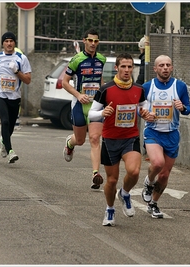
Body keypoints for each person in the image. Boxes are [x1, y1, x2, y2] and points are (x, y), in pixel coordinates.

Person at [88, 53, 153, 226]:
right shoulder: (105, 90)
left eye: (129, 67)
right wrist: (102, 113)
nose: (126, 70)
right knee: (111, 180)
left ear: (133, 68)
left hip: (130, 138)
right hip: (110, 140)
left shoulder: (139, 90)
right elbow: (91, 113)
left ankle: (124, 193)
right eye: (123, 66)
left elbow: (143, 107)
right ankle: (110, 209)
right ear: (116, 68)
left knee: (134, 171)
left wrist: (146, 113)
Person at [141, 55, 190, 219]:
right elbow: (138, 107)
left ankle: (153, 204)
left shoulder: (180, 86)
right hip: (153, 132)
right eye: (161, 65)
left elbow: (188, 108)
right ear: (155, 68)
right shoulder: (147, 87)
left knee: (164, 175)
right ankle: (148, 182)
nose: (165, 68)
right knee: (157, 163)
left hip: (171, 135)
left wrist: (182, 107)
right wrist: (145, 115)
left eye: (168, 65)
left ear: (171, 68)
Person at [62, 28, 107, 190]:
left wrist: (104, 97)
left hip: (95, 105)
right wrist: (78, 94)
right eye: (90, 40)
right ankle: (70, 142)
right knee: (80, 140)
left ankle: (96, 174)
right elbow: (65, 82)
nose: (93, 44)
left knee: (95, 139)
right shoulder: (77, 59)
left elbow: (100, 79)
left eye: (96, 41)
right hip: (79, 105)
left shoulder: (101, 59)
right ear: (84, 41)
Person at [0, 32, 32, 164]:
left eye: (11, 41)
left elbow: (28, 80)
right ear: (3, 43)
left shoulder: (21, 59)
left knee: (10, 125)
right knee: (4, 121)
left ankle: (4, 141)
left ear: (14, 43)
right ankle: (11, 151)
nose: (9, 43)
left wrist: (17, 72)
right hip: (0, 94)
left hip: (15, 97)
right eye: (6, 41)